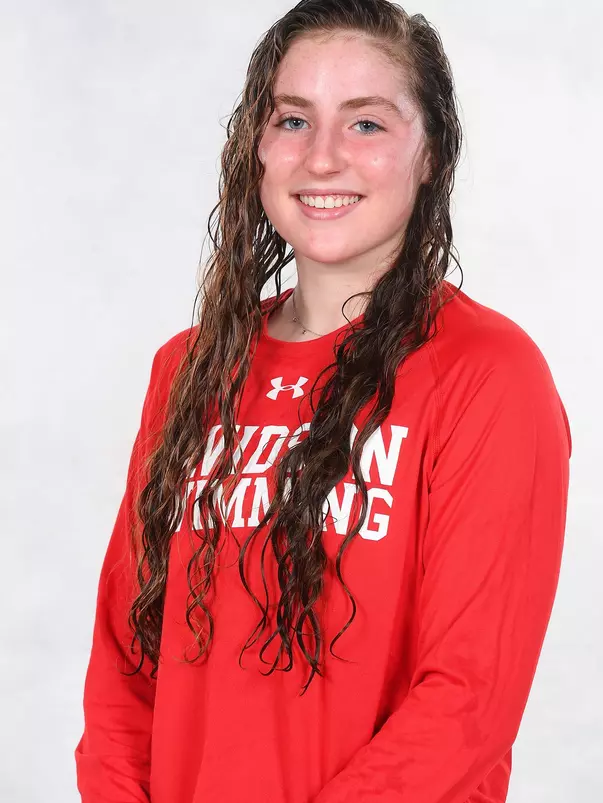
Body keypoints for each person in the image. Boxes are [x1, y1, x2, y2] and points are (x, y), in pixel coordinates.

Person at [74, 1, 572, 802]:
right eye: (293, 119)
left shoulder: (487, 373)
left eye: (367, 124)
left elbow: (465, 701)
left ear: (429, 154)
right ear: (257, 147)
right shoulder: (189, 367)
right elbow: (126, 664)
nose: (323, 157)